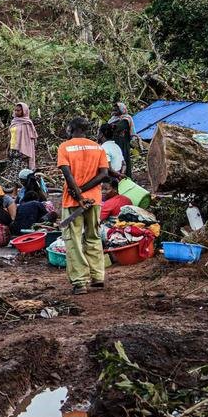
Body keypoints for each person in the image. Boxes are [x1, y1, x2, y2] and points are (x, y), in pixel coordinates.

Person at [56, 117, 119, 295]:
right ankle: (98, 276)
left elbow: (68, 175)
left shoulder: (65, 147)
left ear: (71, 128)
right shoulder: (97, 147)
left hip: (72, 201)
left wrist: (77, 193)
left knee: (73, 240)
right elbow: (103, 175)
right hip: (95, 199)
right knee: (93, 236)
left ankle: (80, 282)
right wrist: (85, 192)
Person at [9, 102, 39, 170]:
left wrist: (26, 152)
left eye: (18, 110)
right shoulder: (14, 122)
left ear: (24, 111)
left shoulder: (27, 123)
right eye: (15, 110)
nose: (16, 112)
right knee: (13, 169)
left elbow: (29, 140)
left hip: (22, 151)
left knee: (22, 170)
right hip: (13, 148)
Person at [109, 102, 134, 177]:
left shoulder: (126, 119)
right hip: (115, 142)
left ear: (121, 110)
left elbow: (118, 127)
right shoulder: (112, 119)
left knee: (124, 158)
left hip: (122, 143)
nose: (114, 111)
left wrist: (112, 127)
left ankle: (126, 176)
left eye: (116, 110)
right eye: (114, 110)